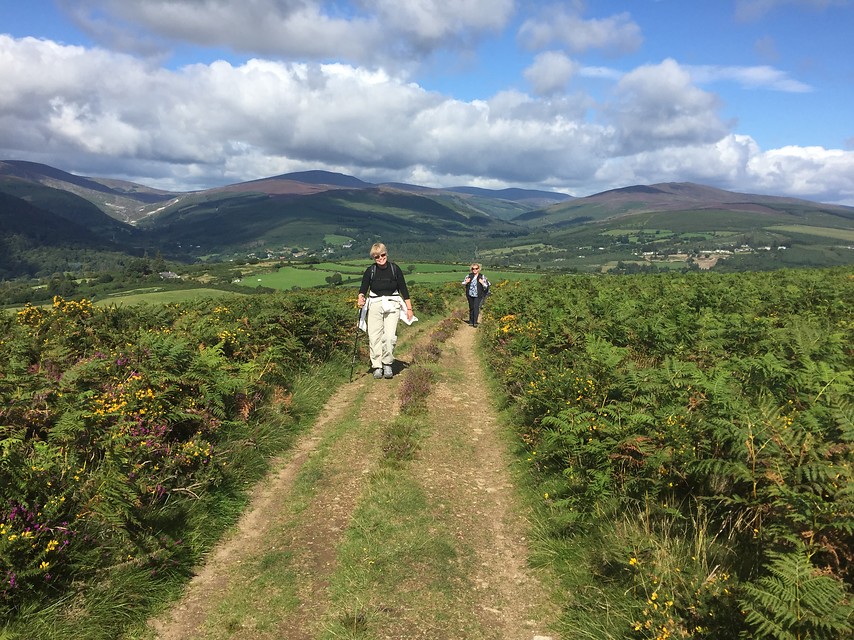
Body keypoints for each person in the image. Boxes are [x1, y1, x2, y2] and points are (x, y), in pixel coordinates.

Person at [357, 243, 415, 379]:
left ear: (386, 254)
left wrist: (409, 308)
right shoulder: (370, 271)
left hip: (393, 304)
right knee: (374, 336)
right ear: (373, 257)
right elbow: (363, 289)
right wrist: (360, 298)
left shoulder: (395, 269)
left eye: (382, 255)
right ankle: (377, 365)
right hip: (375, 304)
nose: (380, 258)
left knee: (389, 336)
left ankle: (387, 363)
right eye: (377, 256)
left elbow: (404, 289)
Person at [462, 263, 489, 327]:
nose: (474, 270)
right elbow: (463, 283)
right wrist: (466, 282)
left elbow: (487, 285)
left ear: (479, 269)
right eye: (473, 268)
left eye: (476, 268)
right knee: (471, 307)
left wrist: (482, 283)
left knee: (476, 307)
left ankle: (475, 322)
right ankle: (471, 321)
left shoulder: (482, 276)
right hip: (470, 294)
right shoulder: (469, 276)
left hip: (478, 294)